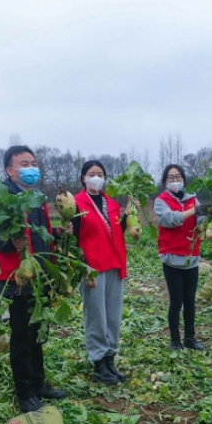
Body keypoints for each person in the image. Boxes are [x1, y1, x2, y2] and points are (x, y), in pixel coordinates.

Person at [0, 145, 68, 413]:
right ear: (10, 171)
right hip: (17, 277)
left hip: (39, 274)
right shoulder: (2, 199)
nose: (32, 167)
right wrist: (12, 243)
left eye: (33, 162)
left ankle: (38, 382)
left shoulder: (36, 197)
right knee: (22, 335)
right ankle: (25, 393)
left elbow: (39, 233)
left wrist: (57, 232)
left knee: (37, 333)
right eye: (24, 163)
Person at [71, 160, 133, 384]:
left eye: (100, 174)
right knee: (96, 316)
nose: (96, 177)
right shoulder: (76, 204)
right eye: (91, 174)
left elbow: (116, 230)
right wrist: (82, 268)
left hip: (114, 264)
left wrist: (129, 215)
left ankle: (110, 360)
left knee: (113, 316)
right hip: (93, 268)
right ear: (83, 178)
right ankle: (98, 365)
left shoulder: (111, 204)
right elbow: (72, 240)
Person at [154, 164, 208, 350]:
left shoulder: (194, 200)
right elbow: (169, 219)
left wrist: (211, 220)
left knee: (190, 300)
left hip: (191, 257)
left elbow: (201, 221)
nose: (175, 180)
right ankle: (175, 340)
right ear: (165, 181)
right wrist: (194, 211)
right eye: (170, 177)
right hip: (171, 257)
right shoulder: (161, 201)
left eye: (178, 177)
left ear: (184, 179)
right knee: (176, 301)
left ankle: (190, 338)